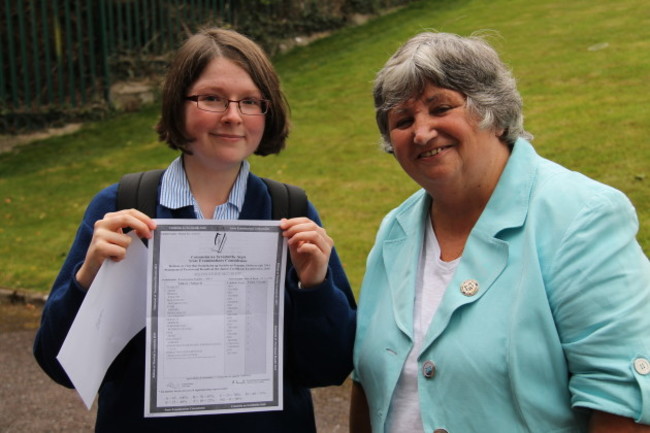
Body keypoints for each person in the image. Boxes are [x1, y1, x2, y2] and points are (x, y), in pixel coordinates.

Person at [33, 27, 356, 432]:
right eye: (212, 98)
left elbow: (330, 366)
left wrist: (315, 288)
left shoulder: (289, 212)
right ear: (178, 103)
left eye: (251, 101)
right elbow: (58, 364)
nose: (233, 115)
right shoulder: (123, 208)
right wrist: (87, 278)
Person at [350, 31, 650, 433]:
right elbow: (367, 380)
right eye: (403, 121)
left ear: (492, 111)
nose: (421, 132)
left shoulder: (580, 217)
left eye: (440, 107)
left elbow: (623, 404)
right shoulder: (395, 230)